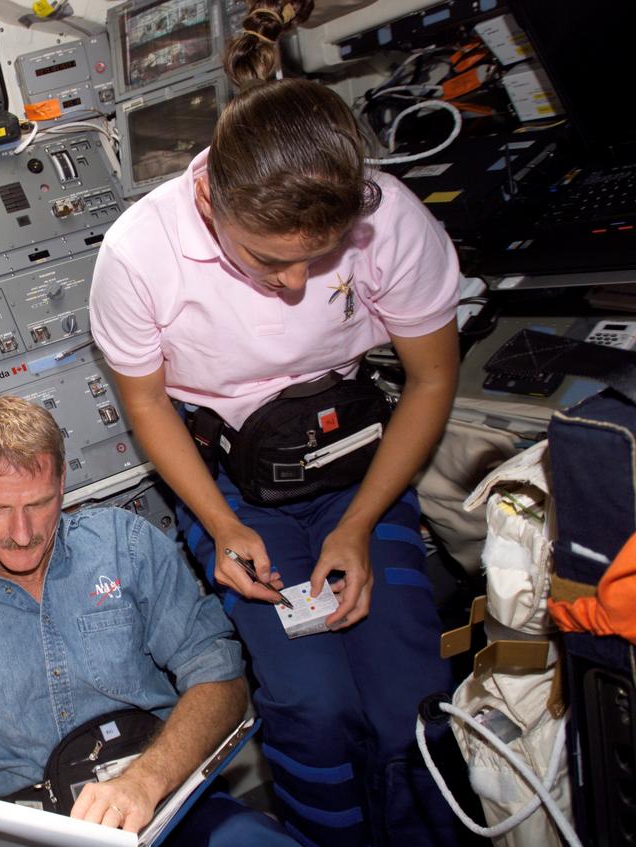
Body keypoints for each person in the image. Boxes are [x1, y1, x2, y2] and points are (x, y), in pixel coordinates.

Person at [88, 3, 462, 845]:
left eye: (319, 258)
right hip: (228, 484)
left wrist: (362, 523)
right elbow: (147, 401)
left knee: (406, 693)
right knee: (311, 699)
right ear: (209, 196)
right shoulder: (140, 255)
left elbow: (434, 374)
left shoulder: (390, 218)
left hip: (356, 465)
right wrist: (220, 526)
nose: (297, 285)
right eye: (268, 260)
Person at [0, 396, 297, 847]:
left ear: (61, 485)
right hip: (25, 829)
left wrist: (145, 781)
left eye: (38, 504)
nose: (22, 534)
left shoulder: (124, 545)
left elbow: (221, 679)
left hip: (161, 799)